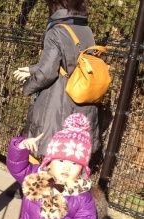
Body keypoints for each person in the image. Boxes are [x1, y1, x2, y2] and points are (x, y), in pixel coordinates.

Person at [12, 0, 101, 162]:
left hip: (58, 105)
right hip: (80, 101)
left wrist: (26, 87)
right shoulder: (86, 29)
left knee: (46, 158)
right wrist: (32, 69)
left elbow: (47, 73)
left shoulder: (56, 31)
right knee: (70, 158)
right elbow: (70, 61)